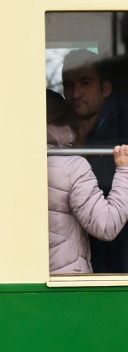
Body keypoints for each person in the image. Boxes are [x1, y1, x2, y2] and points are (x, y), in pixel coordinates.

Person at [46, 89, 128, 274]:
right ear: (66, 123)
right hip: (64, 288)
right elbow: (106, 225)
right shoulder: (72, 167)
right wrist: (124, 170)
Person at [62, 49, 128, 272]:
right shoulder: (63, 132)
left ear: (106, 88)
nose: (75, 93)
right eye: (68, 84)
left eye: (85, 82)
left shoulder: (122, 127)